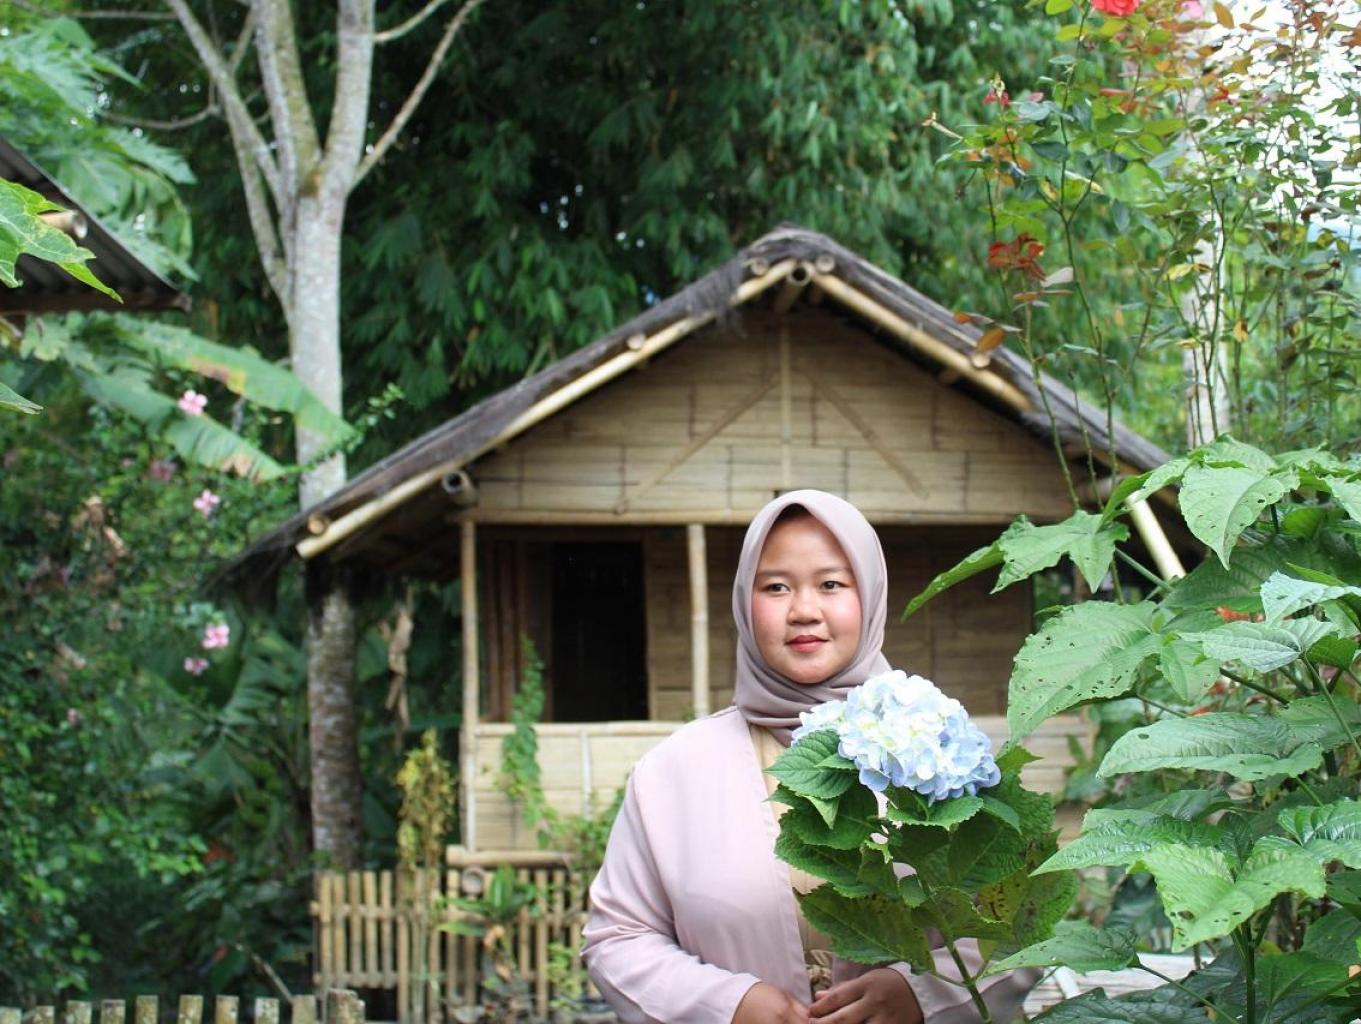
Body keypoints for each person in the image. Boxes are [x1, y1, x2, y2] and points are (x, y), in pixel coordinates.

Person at [582, 490, 1035, 1024]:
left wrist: (922, 994)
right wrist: (727, 1006)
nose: (803, 611)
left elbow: (1023, 919)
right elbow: (619, 939)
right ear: (744, 602)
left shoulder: (943, 752)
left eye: (831, 584)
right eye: (775, 587)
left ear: (870, 595)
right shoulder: (673, 771)